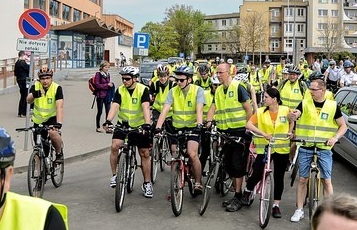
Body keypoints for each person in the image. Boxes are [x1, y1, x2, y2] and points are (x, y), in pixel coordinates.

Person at [288, 77, 348, 223]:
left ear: (322, 90)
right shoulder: (304, 103)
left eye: (313, 89)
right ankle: (299, 209)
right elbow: (295, 115)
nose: (310, 91)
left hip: (324, 148)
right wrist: (293, 116)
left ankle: (330, 211)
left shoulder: (333, 106)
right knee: (302, 179)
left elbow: (343, 126)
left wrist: (335, 138)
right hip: (306, 145)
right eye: (310, 89)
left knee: (327, 181)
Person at [155, 66, 206, 195]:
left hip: (193, 127)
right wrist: (158, 127)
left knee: (192, 154)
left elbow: (199, 109)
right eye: (177, 80)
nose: (178, 82)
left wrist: (200, 124)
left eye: (181, 80)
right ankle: (175, 182)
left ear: (189, 79)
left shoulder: (198, 91)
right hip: (177, 128)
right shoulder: (173, 91)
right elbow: (165, 109)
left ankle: (198, 182)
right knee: (174, 153)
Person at [104, 65, 154, 197]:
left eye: (127, 79)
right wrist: (108, 120)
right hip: (123, 125)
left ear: (135, 79)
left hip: (139, 126)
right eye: (123, 79)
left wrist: (147, 124)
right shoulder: (120, 90)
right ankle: (115, 175)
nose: (124, 81)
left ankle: (147, 183)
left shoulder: (143, 90)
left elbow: (145, 107)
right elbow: (115, 105)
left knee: (144, 154)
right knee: (115, 146)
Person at [210, 62, 254, 212]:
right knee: (227, 164)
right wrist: (208, 122)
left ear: (229, 73)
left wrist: (248, 128)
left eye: (221, 72)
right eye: (217, 73)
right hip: (225, 132)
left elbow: (249, 109)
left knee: (237, 165)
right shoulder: (218, 90)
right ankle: (236, 194)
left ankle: (239, 195)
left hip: (239, 132)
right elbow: (214, 107)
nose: (218, 75)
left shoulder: (238, 87)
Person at [244, 87, 292, 218]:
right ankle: (248, 189)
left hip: (281, 148)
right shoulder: (260, 112)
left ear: (274, 99)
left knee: (279, 177)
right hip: (265, 148)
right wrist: (263, 133)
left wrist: (291, 131)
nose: (263, 99)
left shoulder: (285, 110)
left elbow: (292, 120)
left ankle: (276, 205)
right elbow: (249, 125)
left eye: (266, 97)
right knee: (257, 172)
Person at [27, 66, 64, 164]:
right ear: (39, 79)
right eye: (42, 78)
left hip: (51, 118)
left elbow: (59, 107)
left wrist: (59, 123)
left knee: (53, 133)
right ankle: (39, 175)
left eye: (47, 78)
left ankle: (59, 153)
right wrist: (34, 95)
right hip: (38, 120)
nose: (45, 81)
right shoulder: (36, 86)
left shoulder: (57, 88)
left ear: (51, 78)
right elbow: (28, 100)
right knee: (37, 148)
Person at [92, 61, 115, 132]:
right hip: (100, 95)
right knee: (100, 111)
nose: (107, 69)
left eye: (108, 67)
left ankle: (107, 127)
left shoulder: (108, 74)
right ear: (102, 67)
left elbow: (108, 83)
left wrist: (110, 84)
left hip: (107, 95)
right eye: (105, 67)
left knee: (108, 112)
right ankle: (98, 127)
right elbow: (97, 85)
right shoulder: (98, 74)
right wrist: (107, 85)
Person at [15, 50, 30, 118]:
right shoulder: (22, 63)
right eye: (25, 55)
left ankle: (20, 112)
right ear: (23, 55)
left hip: (19, 80)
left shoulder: (17, 63)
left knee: (22, 96)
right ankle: (23, 112)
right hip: (24, 81)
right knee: (25, 96)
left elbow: (15, 73)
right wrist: (28, 62)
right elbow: (29, 69)